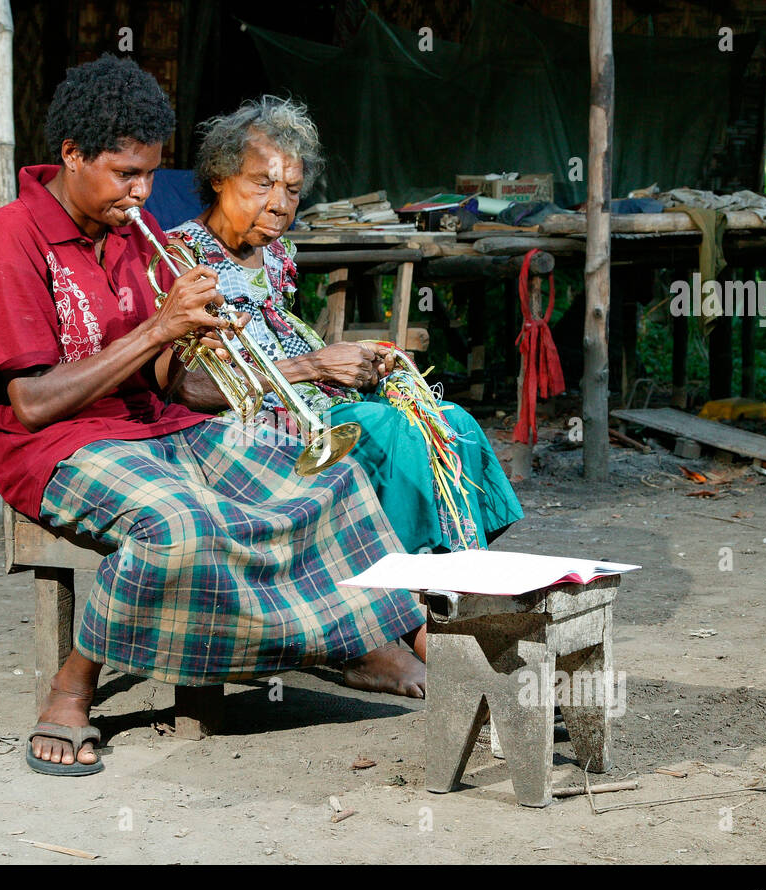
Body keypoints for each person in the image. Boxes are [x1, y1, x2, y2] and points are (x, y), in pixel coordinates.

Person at [0, 56, 427, 777]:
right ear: (72, 156)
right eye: (124, 175)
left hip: (156, 427)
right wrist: (155, 328)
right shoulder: (10, 236)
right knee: (180, 525)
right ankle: (71, 688)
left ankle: (385, 643)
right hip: (52, 448)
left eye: (149, 174)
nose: (143, 194)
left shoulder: (130, 238)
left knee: (336, 479)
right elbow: (32, 401)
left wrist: (205, 349)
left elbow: (174, 388)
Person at [168, 97, 523, 554]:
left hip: (316, 406)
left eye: (292, 190)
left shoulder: (276, 254)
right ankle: (405, 580)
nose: (279, 205)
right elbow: (188, 388)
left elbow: (280, 342)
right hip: (252, 428)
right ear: (219, 177)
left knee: (452, 422)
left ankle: (455, 567)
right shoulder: (181, 258)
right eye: (262, 184)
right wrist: (314, 366)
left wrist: (358, 363)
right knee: (388, 431)